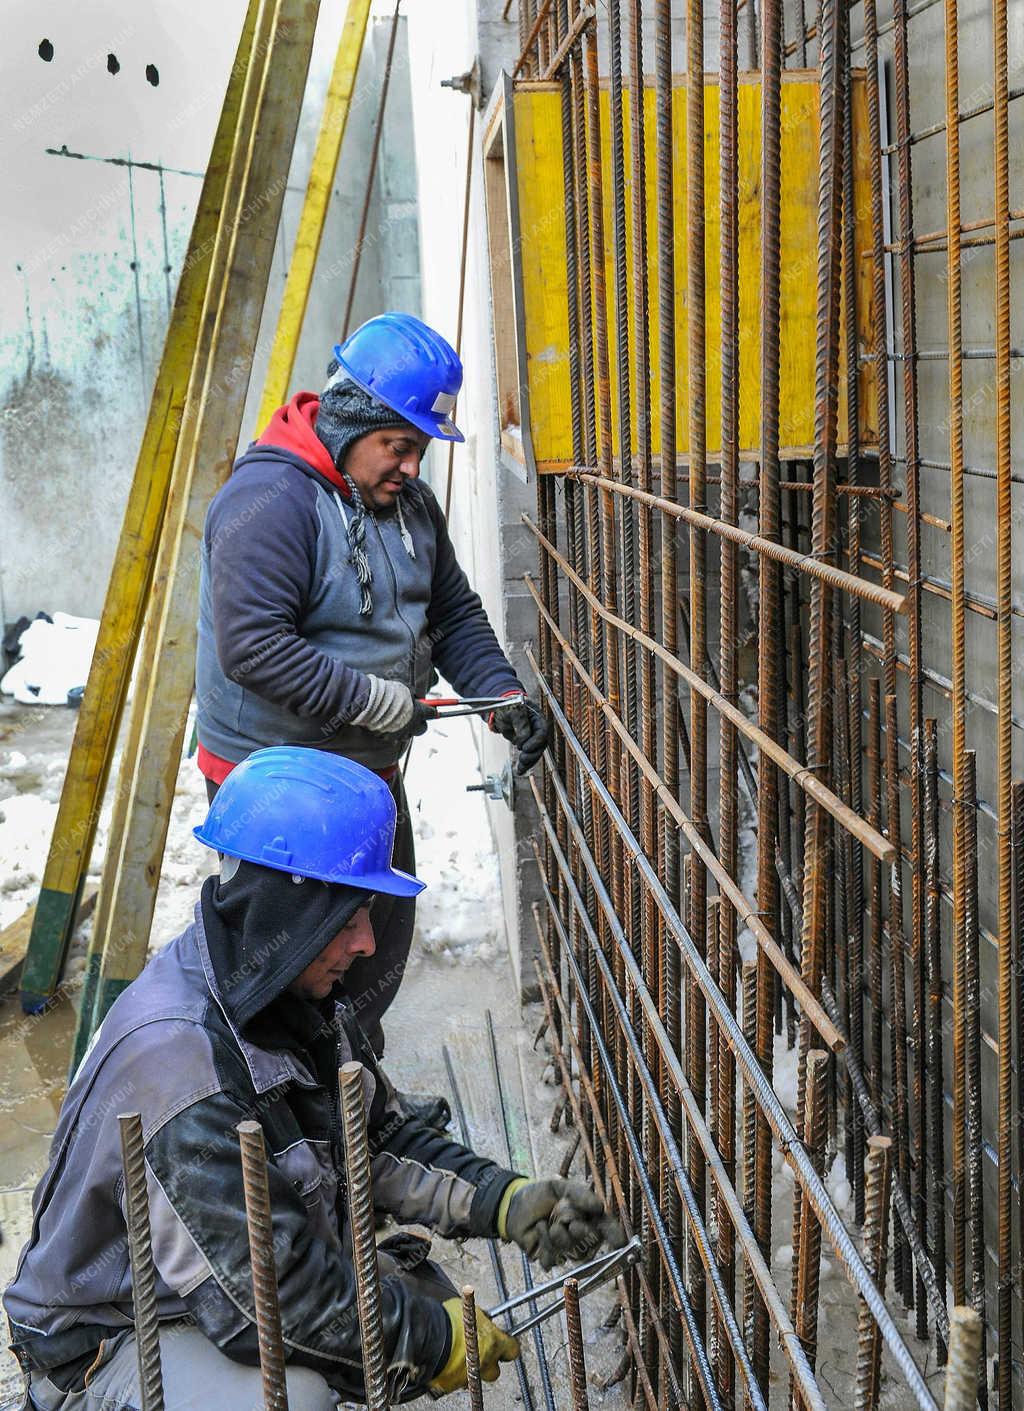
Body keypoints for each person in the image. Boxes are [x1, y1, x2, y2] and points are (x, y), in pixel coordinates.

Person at [4, 748, 620, 1410]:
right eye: (346, 918)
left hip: (208, 1284)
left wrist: (503, 1199)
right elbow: (265, 1307)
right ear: (283, 912)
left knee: (417, 1294)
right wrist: (426, 1339)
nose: (367, 944)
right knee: (295, 1393)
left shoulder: (289, 994)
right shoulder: (180, 1063)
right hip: (108, 1338)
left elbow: (377, 1139)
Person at [194, 312, 548, 1087]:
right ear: (353, 416)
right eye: (400, 444)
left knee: (372, 948)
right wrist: (379, 702)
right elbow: (252, 647)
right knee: (291, 968)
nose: (411, 467)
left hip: (363, 775)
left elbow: (452, 612)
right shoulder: (270, 503)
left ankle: (361, 1100)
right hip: (276, 790)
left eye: (419, 448)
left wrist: (499, 694)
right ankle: (289, 1116)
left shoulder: (407, 507)